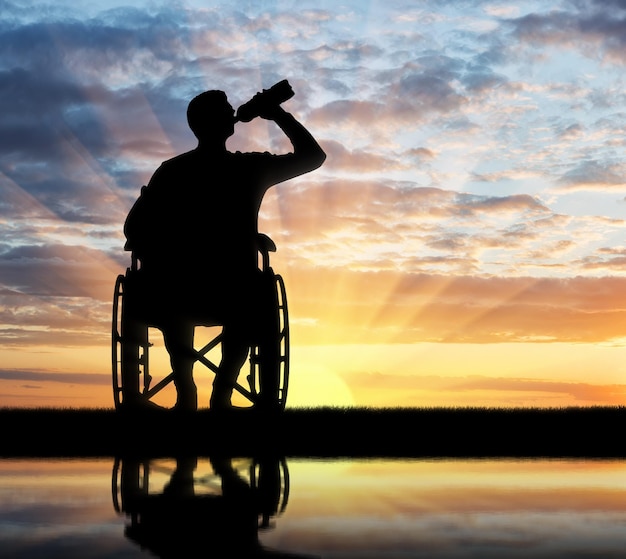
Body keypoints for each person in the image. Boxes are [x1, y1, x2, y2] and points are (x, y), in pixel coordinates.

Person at [123, 86, 326, 411]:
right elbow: (314, 157)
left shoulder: (171, 171)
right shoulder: (249, 168)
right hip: (235, 288)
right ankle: (222, 392)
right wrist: (276, 114)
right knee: (247, 296)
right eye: (227, 109)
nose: (234, 111)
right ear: (222, 123)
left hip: (176, 289)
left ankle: (186, 394)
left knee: (178, 292)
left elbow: (132, 228)